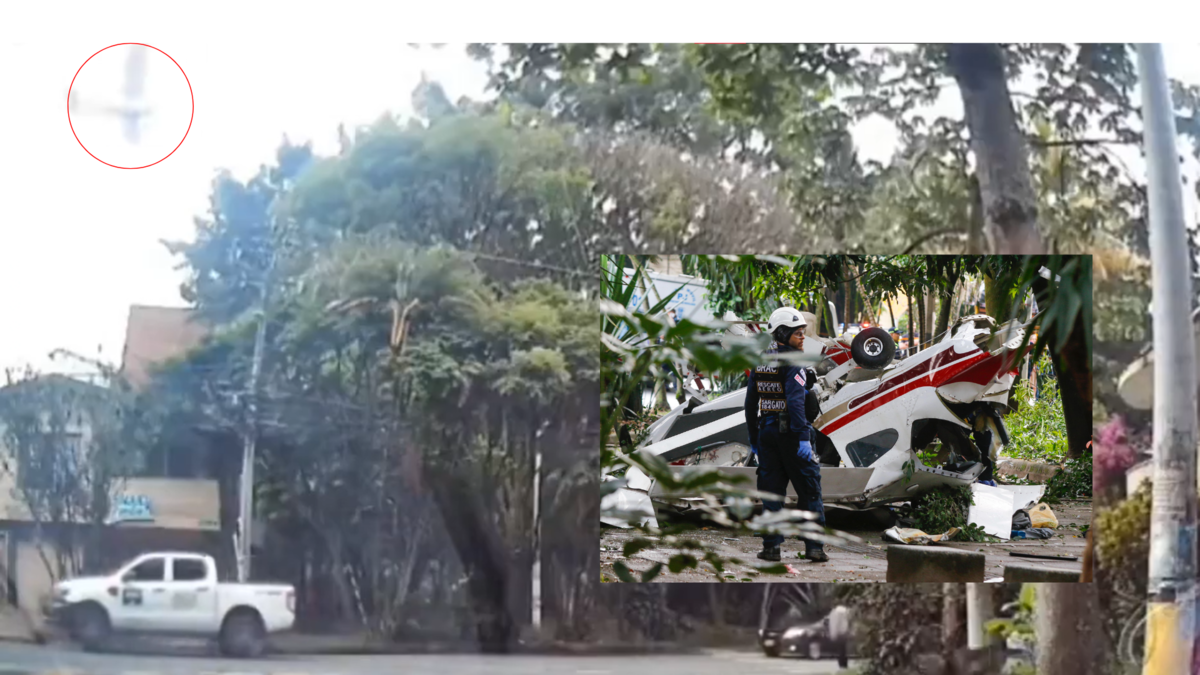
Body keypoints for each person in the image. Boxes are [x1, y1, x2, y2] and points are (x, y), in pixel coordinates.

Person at [744, 307, 828, 563]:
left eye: (803, 332)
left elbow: (750, 404)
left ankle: (771, 549)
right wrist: (803, 437)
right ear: (783, 333)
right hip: (793, 434)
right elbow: (795, 402)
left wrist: (755, 438)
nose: (803, 337)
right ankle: (814, 548)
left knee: (771, 491)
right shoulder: (795, 363)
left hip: (768, 433)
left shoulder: (761, 363)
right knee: (810, 490)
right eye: (798, 333)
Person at [825, 604, 852, 668]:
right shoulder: (845, 611)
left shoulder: (835, 612)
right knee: (844, 649)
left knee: (840, 650)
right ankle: (844, 663)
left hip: (839, 633)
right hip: (844, 632)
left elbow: (834, 624)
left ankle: (841, 664)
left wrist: (833, 634)